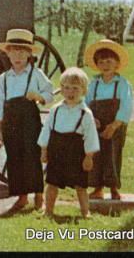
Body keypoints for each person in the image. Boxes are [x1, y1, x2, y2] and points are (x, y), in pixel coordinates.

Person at [0, 28, 55, 212]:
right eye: (14, 51)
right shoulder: (4, 78)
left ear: (29, 54)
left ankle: (38, 194)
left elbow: (50, 93)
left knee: (31, 155)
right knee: (14, 157)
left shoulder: (35, 74)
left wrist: (38, 96)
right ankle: (22, 197)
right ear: (8, 53)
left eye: (22, 51)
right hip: (10, 124)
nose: (18, 56)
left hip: (29, 121)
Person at [38, 67, 99, 218]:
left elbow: (90, 136)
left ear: (83, 91)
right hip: (57, 152)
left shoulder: (85, 113)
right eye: (66, 88)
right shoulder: (55, 110)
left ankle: (86, 212)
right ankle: (48, 211)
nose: (70, 92)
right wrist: (44, 150)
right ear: (61, 89)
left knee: (80, 185)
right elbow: (46, 130)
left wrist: (89, 156)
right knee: (52, 183)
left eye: (75, 89)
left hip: (76, 152)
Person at [83, 39, 133, 200]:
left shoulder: (122, 84)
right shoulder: (93, 84)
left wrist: (114, 125)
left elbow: (126, 106)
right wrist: (92, 119)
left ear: (117, 63)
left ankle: (113, 187)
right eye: (101, 61)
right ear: (97, 64)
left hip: (115, 126)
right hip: (96, 124)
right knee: (96, 155)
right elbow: (85, 103)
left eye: (109, 61)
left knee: (112, 154)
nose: (105, 65)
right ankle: (97, 188)